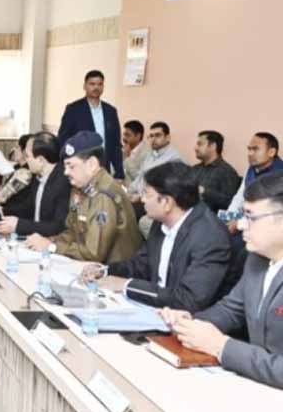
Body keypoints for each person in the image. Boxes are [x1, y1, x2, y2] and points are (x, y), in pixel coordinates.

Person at [160, 173, 283, 389]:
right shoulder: (257, 259)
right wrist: (190, 323)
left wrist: (222, 346)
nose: (241, 225)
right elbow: (231, 310)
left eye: (251, 217)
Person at [86, 161, 230, 311]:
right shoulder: (162, 220)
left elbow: (189, 299)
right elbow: (142, 263)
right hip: (154, 308)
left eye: (147, 194)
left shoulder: (210, 236)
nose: (142, 200)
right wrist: (105, 271)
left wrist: (127, 285)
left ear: (167, 203)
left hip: (185, 319)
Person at [27, 131, 142, 263]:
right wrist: (50, 241)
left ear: (92, 164)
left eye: (71, 166)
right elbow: (72, 231)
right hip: (90, 266)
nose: (66, 172)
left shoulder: (103, 195)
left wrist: (52, 247)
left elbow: (94, 253)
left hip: (115, 270)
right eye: (65, 166)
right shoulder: (80, 188)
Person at [0, 132, 71, 237]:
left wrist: (19, 225)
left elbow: (57, 226)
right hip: (34, 237)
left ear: (40, 160)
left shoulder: (64, 182)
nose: (25, 160)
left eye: (27, 156)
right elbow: (28, 208)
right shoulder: (38, 176)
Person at [57, 70, 124, 179]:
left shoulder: (110, 111)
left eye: (100, 84)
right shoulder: (73, 109)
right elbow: (63, 139)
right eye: (92, 84)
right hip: (80, 165)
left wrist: (119, 172)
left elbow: (116, 145)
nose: (96, 87)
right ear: (85, 86)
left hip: (103, 167)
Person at [226, 132, 283, 223]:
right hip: (245, 220)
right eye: (249, 149)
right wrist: (228, 217)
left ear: (271, 152)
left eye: (255, 149)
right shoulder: (251, 169)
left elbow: (273, 212)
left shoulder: (280, 175)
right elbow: (240, 197)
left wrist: (239, 223)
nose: (250, 153)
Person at [128, 122, 183, 200]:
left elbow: (168, 189)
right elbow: (140, 178)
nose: (153, 139)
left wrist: (140, 197)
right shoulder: (150, 155)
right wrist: (128, 192)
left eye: (158, 135)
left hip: (156, 202)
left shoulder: (174, 159)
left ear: (168, 137)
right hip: (139, 198)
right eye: (151, 136)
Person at [192, 130, 241, 214]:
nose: (195, 148)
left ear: (213, 146)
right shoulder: (195, 169)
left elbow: (230, 202)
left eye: (200, 144)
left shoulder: (226, 171)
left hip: (210, 218)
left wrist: (204, 192)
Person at [0, 134, 34, 210]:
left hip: (11, 211)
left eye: (17, 147)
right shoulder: (16, 167)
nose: (14, 150)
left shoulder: (25, 172)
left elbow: (2, 197)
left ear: (25, 151)